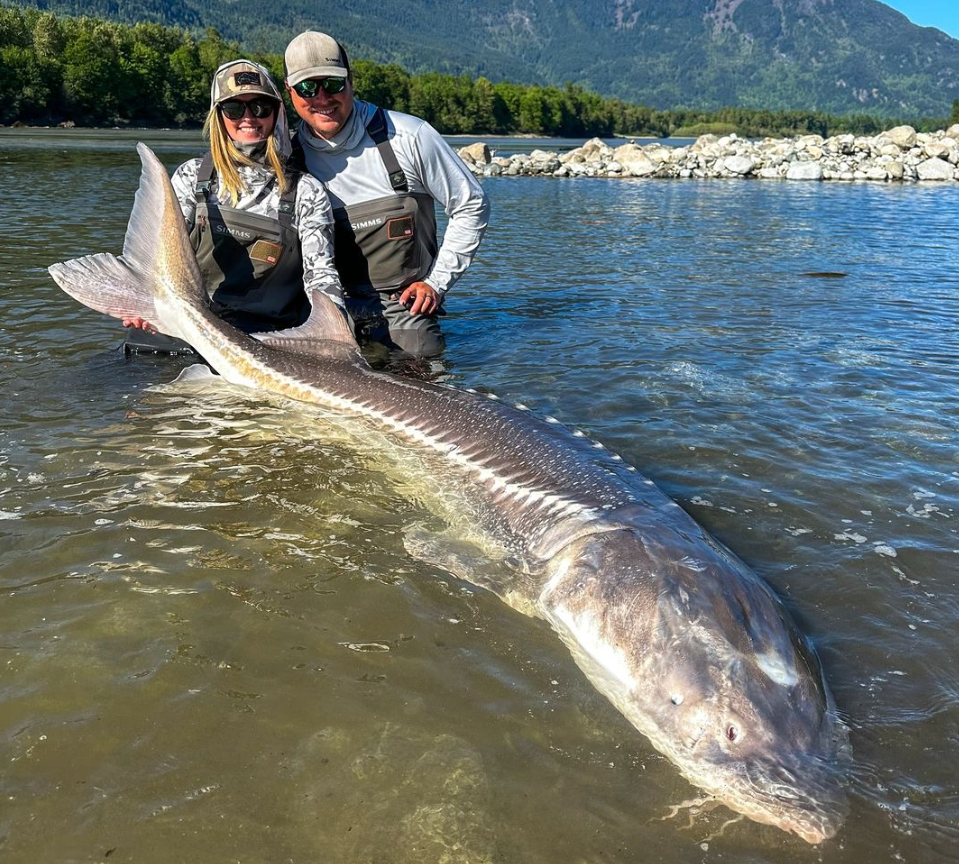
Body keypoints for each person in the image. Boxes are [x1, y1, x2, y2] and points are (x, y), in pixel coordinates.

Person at [283, 31, 490, 358]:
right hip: (327, 310)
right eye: (308, 87)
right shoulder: (287, 155)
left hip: (402, 308)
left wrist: (436, 283)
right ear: (289, 92)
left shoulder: (409, 136)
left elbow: (471, 205)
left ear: (351, 81)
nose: (322, 97)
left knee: (426, 387)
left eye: (333, 84)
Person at [124, 59, 344, 352]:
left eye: (260, 107)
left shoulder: (306, 192)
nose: (248, 118)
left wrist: (337, 335)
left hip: (265, 341)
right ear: (218, 116)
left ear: (277, 113)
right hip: (188, 331)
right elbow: (155, 259)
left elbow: (321, 275)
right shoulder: (191, 178)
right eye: (234, 109)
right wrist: (142, 303)